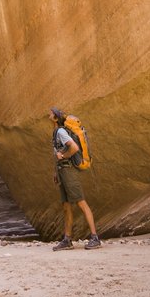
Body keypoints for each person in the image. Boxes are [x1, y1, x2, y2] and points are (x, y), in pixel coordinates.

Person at [49, 107, 101, 250]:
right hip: (62, 171)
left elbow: (74, 148)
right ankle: (67, 240)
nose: (49, 114)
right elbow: (57, 153)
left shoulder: (60, 132)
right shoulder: (56, 132)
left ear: (55, 117)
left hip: (68, 171)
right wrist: (55, 171)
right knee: (66, 206)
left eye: (51, 113)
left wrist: (63, 156)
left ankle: (95, 237)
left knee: (81, 202)